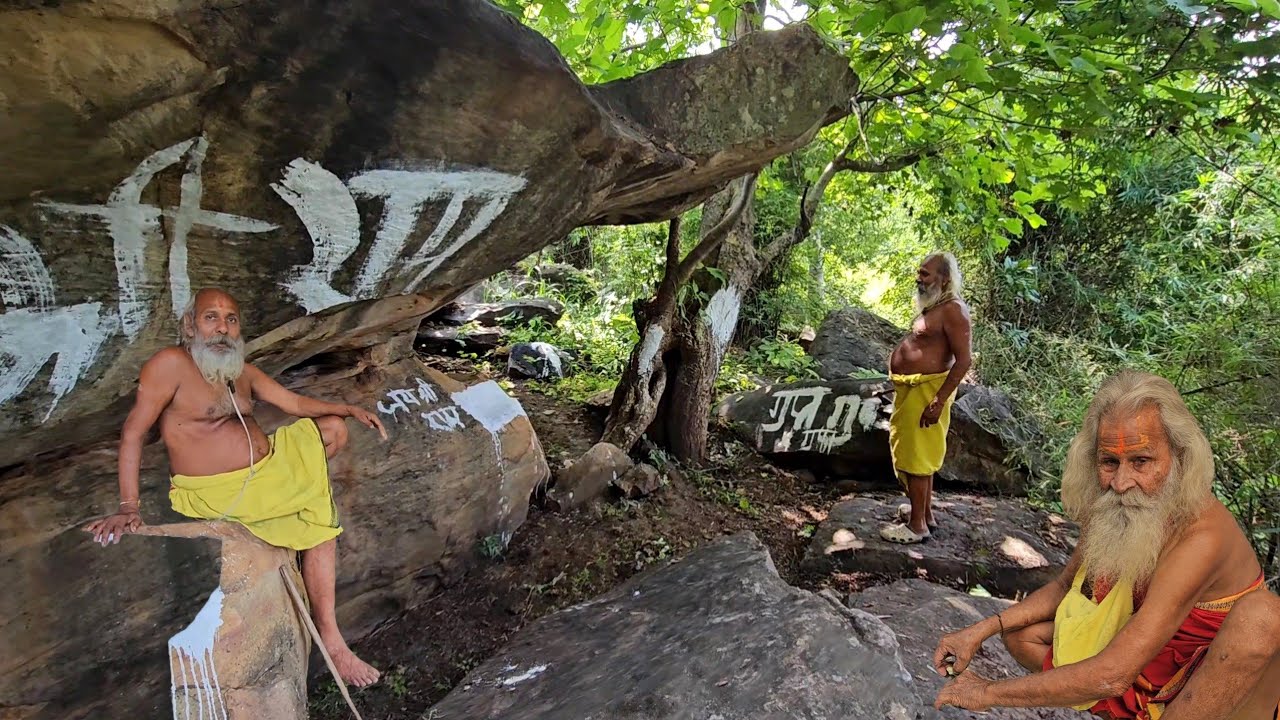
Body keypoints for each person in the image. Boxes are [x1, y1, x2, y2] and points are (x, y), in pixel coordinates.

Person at [933, 370, 1280, 719]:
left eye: (1141, 461)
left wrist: (987, 691)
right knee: (1022, 633)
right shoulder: (1118, 504)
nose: (1121, 481)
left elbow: (1113, 675)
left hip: (1215, 689)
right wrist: (980, 630)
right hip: (1147, 658)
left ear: (1180, 457)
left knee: (1263, 615)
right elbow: (1065, 587)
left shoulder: (1202, 537)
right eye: (1109, 462)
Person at [86, 288, 389, 688]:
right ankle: (331, 640)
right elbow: (133, 433)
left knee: (331, 429)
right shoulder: (170, 364)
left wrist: (349, 408)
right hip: (221, 490)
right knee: (320, 525)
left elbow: (293, 404)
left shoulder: (238, 368)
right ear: (191, 324)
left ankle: (289, 511)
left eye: (231, 319)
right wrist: (129, 505)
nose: (222, 328)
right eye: (212, 317)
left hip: (265, 472)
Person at [879, 251, 972, 544]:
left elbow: (964, 361)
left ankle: (916, 526)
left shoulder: (954, 310)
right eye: (919, 272)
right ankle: (924, 514)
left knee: (917, 456)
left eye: (925, 274)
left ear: (943, 280)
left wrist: (938, 400)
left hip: (928, 392)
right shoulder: (936, 306)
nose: (918, 279)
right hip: (913, 389)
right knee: (914, 452)